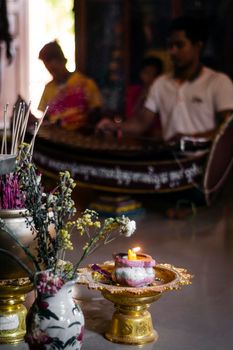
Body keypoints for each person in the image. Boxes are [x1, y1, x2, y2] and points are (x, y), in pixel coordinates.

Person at [97, 16, 233, 142]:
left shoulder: (218, 82)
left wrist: (190, 140)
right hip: (170, 164)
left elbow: (228, 131)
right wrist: (113, 126)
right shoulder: (161, 83)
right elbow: (141, 123)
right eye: (170, 46)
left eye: (179, 45)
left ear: (197, 47)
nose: (172, 52)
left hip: (207, 164)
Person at [38, 40, 103, 130]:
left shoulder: (84, 83)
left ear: (63, 61)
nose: (52, 72)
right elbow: (46, 118)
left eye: (55, 68)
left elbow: (96, 112)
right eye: (49, 69)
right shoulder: (48, 88)